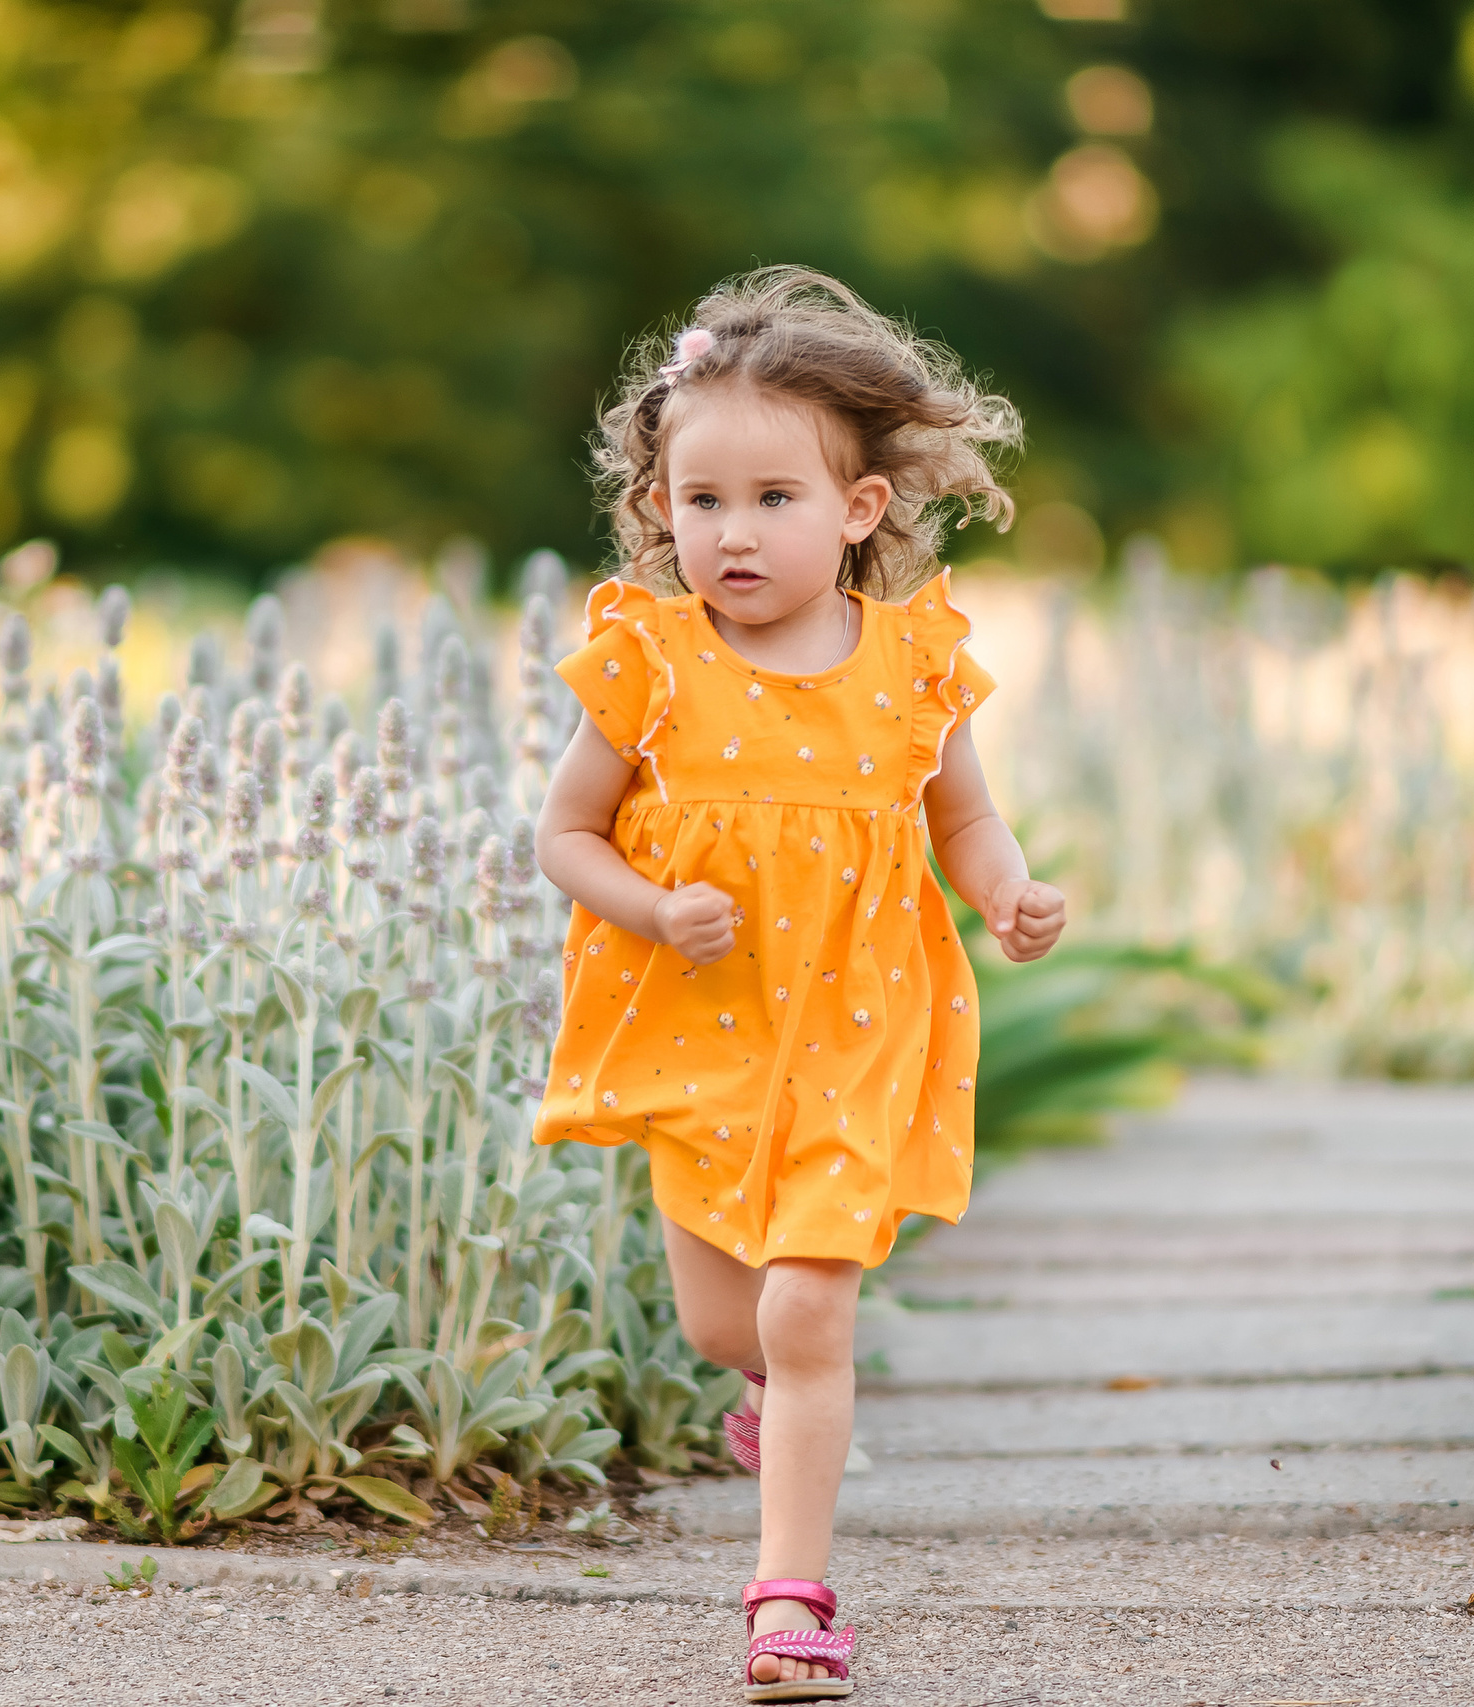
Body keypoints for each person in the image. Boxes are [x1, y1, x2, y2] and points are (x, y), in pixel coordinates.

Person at [533, 267, 1068, 1702]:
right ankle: (768, 1395)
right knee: (727, 1327)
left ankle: (790, 1596)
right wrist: (652, 905)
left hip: (858, 1025)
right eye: (700, 502)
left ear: (858, 511)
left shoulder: (910, 668)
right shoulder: (647, 665)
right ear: (663, 513)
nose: (733, 532)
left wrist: (1005, 889)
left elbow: (961, 818)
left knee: (806, 1311)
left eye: (774, 498)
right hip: (700, 1027)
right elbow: (562, 837)